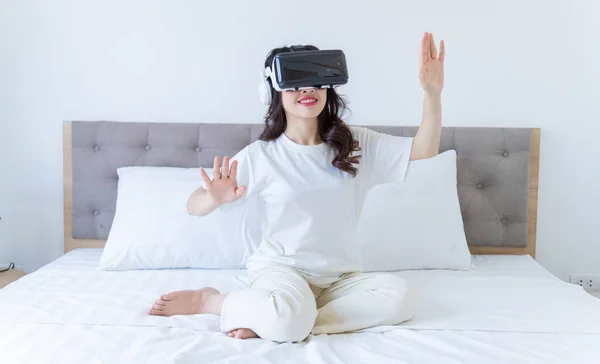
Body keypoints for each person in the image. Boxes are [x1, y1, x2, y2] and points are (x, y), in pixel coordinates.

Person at [149, 32, 445, 342]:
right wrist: (212, 197)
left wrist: (432, 93)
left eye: (316, 80)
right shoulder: (261, 155)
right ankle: (213, 301)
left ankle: (282, 319)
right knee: (290, 317)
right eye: (294, 81)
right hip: (282, 271)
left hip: (339, 279)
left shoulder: (356, 144)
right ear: (272, 91)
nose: (307, 90)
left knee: (403, 297)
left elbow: (425, 149)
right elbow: (193, 205)